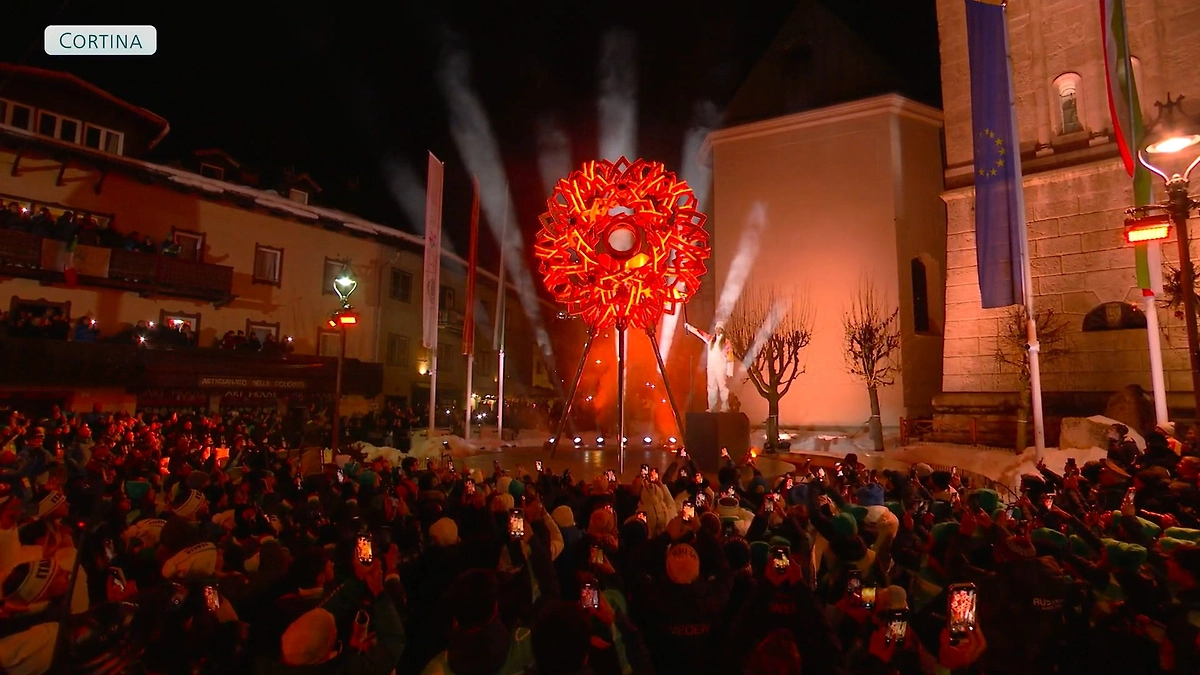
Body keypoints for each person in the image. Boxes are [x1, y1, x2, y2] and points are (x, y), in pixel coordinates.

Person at [683, 321, 735, 412]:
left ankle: (725, 407)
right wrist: (689, 327)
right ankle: (712, 407)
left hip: (721, 367)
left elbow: (730, 357)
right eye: (716, 328)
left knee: (722, 387)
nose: (717, 330)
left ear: (722, 330)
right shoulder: (711, 339)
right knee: (711, 387)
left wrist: (729, 371)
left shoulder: (726, 342)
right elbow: (699, 333)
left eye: (719, 329)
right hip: (711, 367)